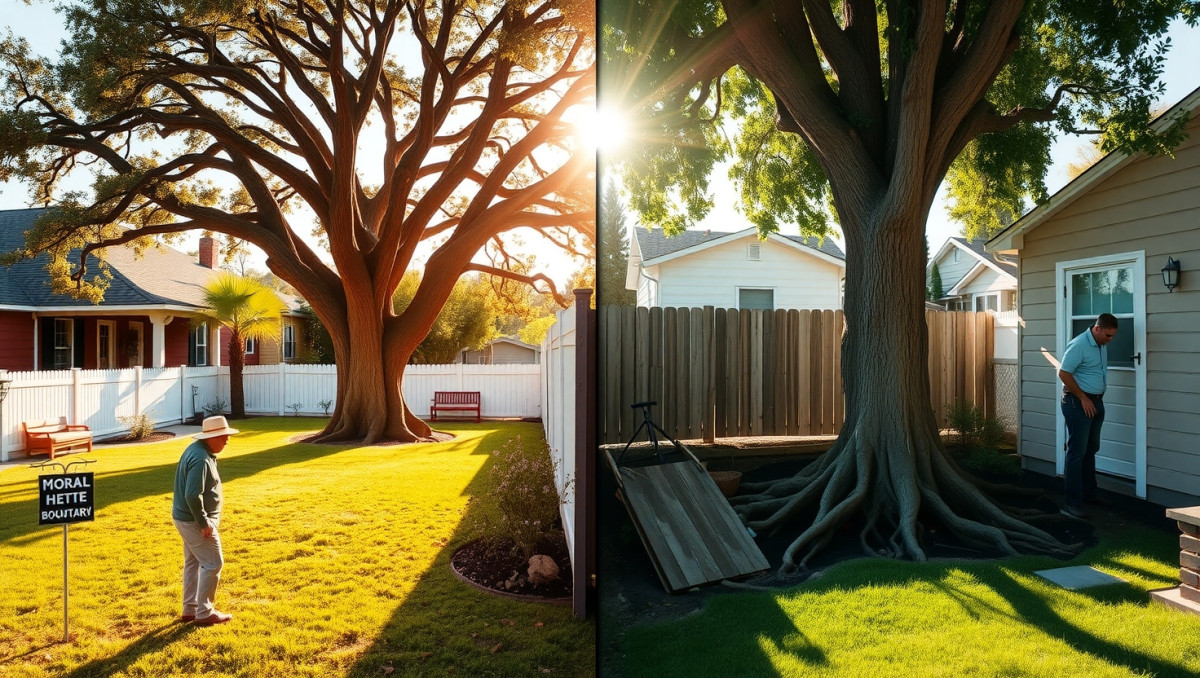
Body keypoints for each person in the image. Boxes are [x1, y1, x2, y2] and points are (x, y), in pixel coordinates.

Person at [172, 415, 239, 625]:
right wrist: (203, 523)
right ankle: (205, 613)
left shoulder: (199, 451)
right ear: (210, 437)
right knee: (212, 563)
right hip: (194, 521)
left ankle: (189, 609)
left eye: (227, 435)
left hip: (184, 518)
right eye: (222, 436)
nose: (226, 440)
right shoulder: (200, 458)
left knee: (193, 562)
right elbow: (193, 495)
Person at [1057, 312, 1118, 520]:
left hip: (1096, 402)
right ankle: (1071, 503)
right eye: (1108, 335)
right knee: (1076, 452)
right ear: (1097, 328)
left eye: (1113, 336)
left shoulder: (1100, 344)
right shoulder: (1079, 345)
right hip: (1078, 403)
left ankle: (1090, 494)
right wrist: (1083, 398)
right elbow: (1064, 373)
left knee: (1091, 449)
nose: (1110, 339)